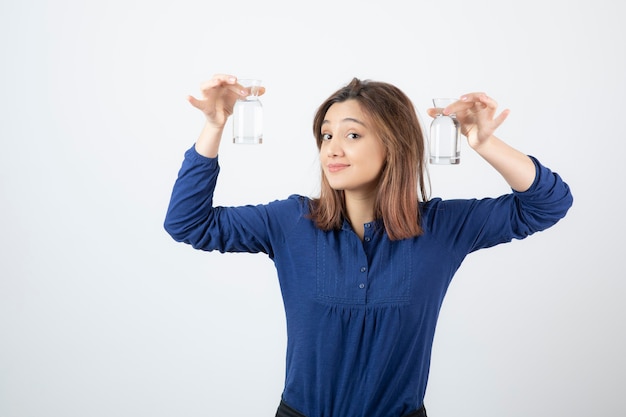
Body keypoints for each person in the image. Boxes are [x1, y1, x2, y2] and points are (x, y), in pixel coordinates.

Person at [164, 74, 573, 417]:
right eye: (326, 135)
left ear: (393, 144)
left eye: (352, 134)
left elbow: (548, 204)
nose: (333, 149)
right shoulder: (290, 222)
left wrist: (485, 143)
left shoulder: (443, 227)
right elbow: (187, 222)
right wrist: (214, 125)